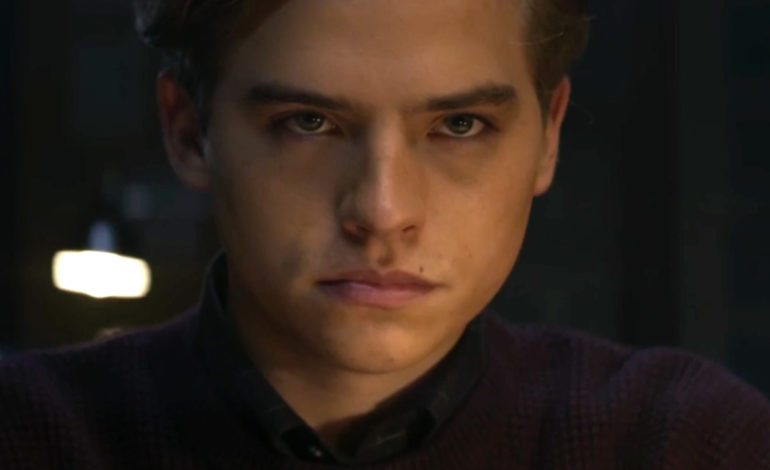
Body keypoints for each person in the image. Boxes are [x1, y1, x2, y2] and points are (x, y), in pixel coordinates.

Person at [1, 0, 768, 468]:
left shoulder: (682, 442)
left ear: (549, 138)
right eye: (308, 123)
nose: (382, 210)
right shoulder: (34, 436)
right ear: (188, 131)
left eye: (460, 125)